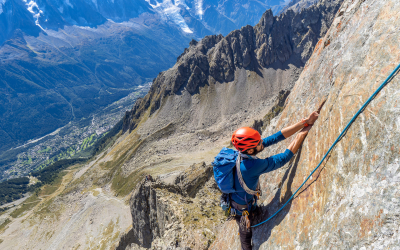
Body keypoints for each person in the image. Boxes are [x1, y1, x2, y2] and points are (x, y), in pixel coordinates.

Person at [230, 111, 319, 250]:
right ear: (250, 150)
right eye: (258, 142)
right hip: (243, 212)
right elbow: (283, 158)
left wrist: (305, 122)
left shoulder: (241, 153)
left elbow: (274, 138)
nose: (262, 142)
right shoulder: (251, 166)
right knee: (246, 240)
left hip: (236, 201)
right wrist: (302, 134)